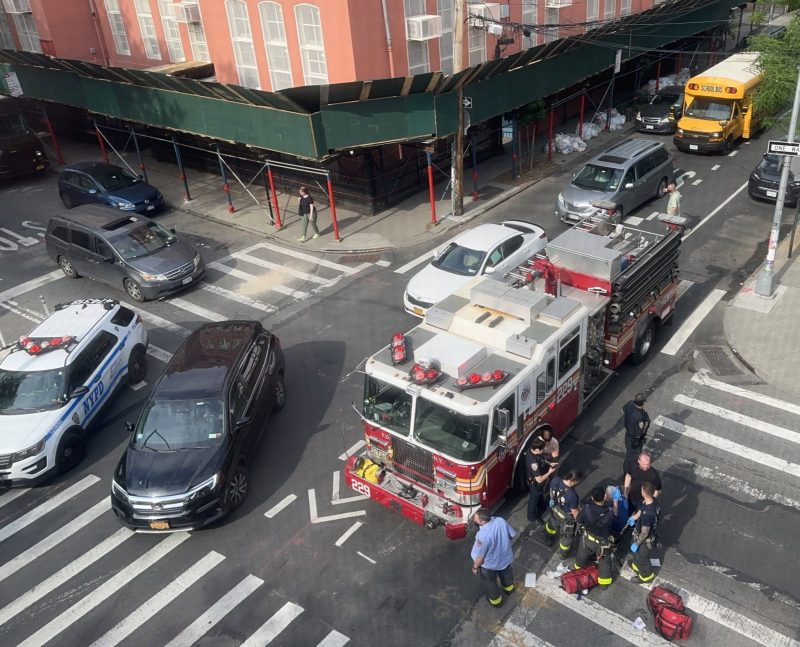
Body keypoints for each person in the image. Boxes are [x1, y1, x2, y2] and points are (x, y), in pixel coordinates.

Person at [470, 508, 518, 608]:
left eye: (476, 518)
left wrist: (475, 567)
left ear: (482, 521)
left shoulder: (483, 536)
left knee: (490, 583)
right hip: (505, 558)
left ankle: (496, 601)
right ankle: (509, 590)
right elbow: (513, 534)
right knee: (506, 575)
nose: (474, 519)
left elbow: (480, 557)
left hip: (490, 565)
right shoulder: (500, 520)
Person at [573, 487, 616, 588]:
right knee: (604, 562)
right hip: (602, 543)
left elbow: (579, 520)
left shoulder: (586, 509)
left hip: (587, 539)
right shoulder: (609, 513)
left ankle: (578, 571)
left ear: (592, 498)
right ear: (604, 497)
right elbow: (612, 523)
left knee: (581, 556)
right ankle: (604, 584)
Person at [543, 469, 583, 558]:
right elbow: (575, 513)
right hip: (567, 517)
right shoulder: (572, 495)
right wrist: (581, 523)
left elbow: (551, 493)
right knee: (566, 537)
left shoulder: (555, 480)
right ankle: (564, 554)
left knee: (552, 525)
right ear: (574, 481)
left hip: (555, 509)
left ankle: (548, 538)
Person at [628, 481, 661, 583]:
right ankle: (636, 564)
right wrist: (635, 517)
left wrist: (637, 543)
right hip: (640, 534)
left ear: (644, 493)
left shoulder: (647, 515)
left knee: (642, 558)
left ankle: (646, 577)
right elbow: (642, 509)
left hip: (643, 541)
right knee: (636, 554)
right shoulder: (653, 501)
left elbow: (645, 532)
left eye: (642, 490)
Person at [525, 438, 556, 527]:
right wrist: (549, 472)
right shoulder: (533, 462)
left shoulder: (533, 451)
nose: (543, 450)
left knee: (539, 495)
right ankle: (532, 517)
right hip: (535, 483)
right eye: (542, 449)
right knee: (534, 499)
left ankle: (542, 506)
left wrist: (550, 463)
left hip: (538, 483)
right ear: (537, 449)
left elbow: (542, 459)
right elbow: (539, 479)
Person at [622, 393, 650, 474]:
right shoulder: (639, 417)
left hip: (628, 434)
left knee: (630, 454)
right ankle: (627, 473)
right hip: (634, 439)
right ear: (643, 403)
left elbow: (623, 410)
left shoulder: (630, 404)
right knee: (632, 456)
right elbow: (639, 432)